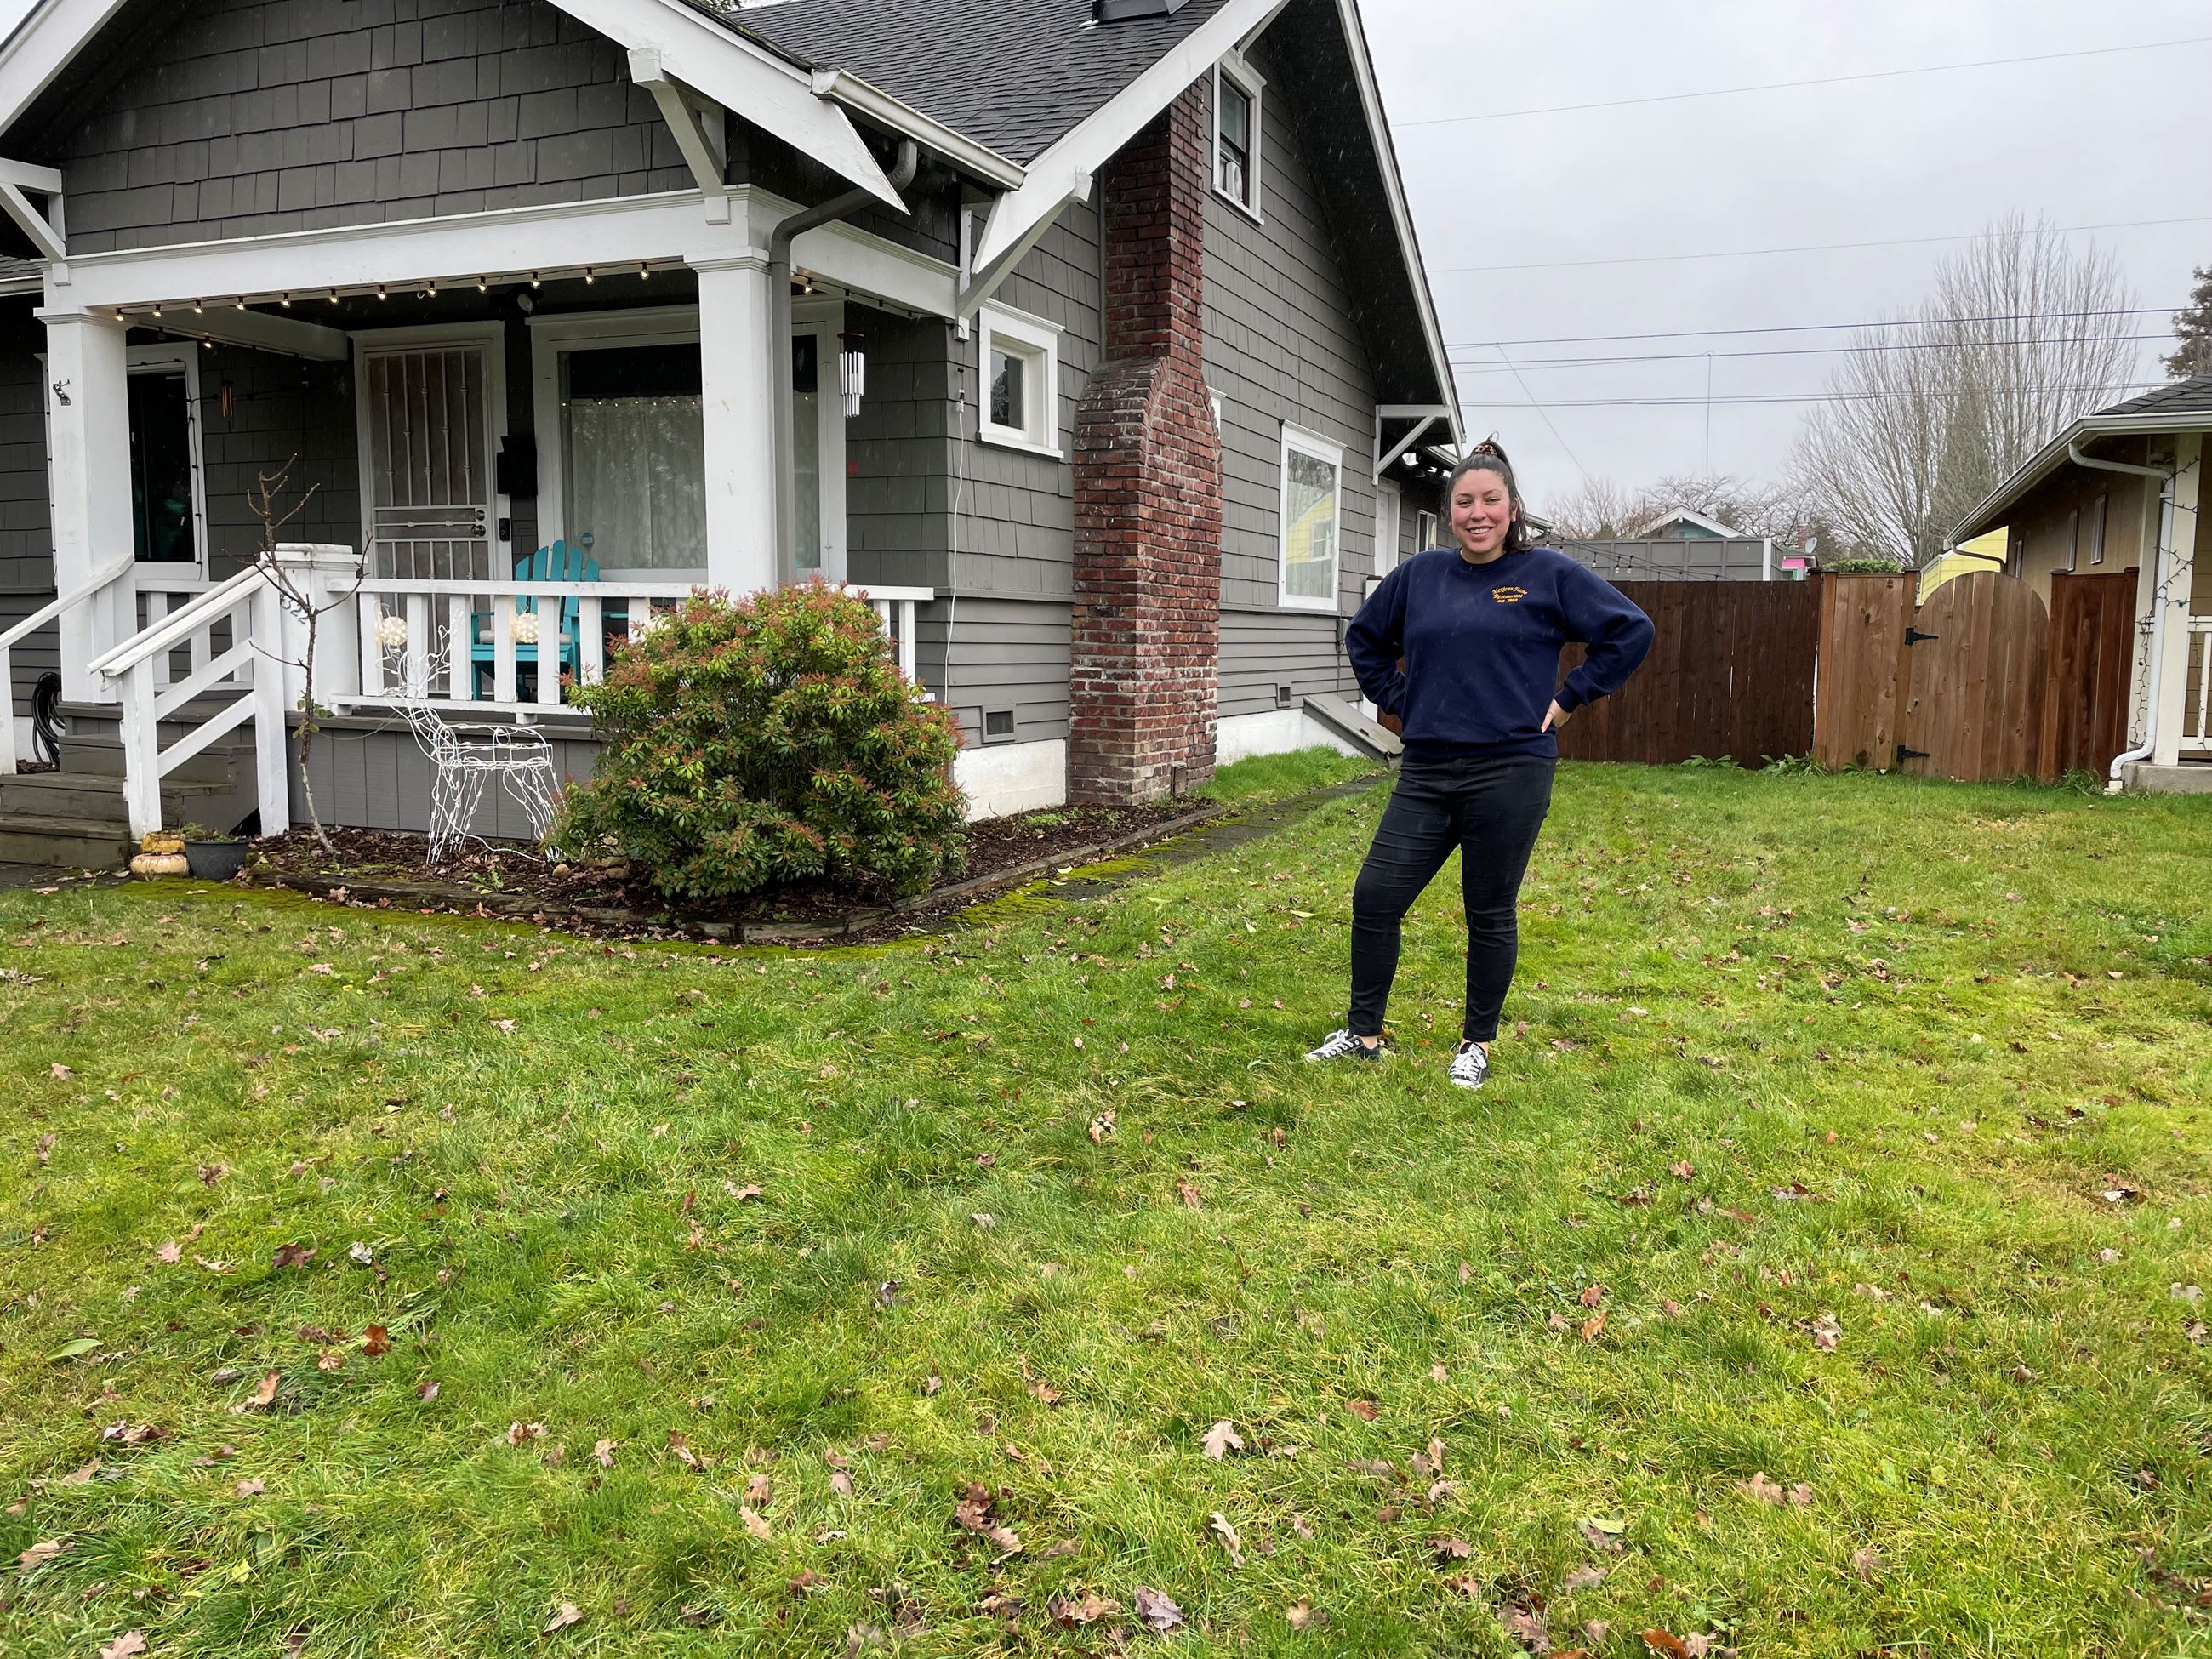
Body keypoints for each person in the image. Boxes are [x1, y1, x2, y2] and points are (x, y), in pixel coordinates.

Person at [1306, 441, 1654, 1088]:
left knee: (1488, 909)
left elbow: (1631, 630)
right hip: (1428, 771)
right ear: (1449, 513)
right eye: (1465, 501)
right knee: (1376, 897)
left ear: (1512, 508)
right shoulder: (1420, 576)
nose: (1478, 513)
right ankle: (1363, 1034)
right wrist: (1403, 701)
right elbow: (1365, 639)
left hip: (1512, 769)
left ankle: (1476, 1044)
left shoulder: (1547, 573)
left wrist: (1572, 697)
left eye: (1491, 500)